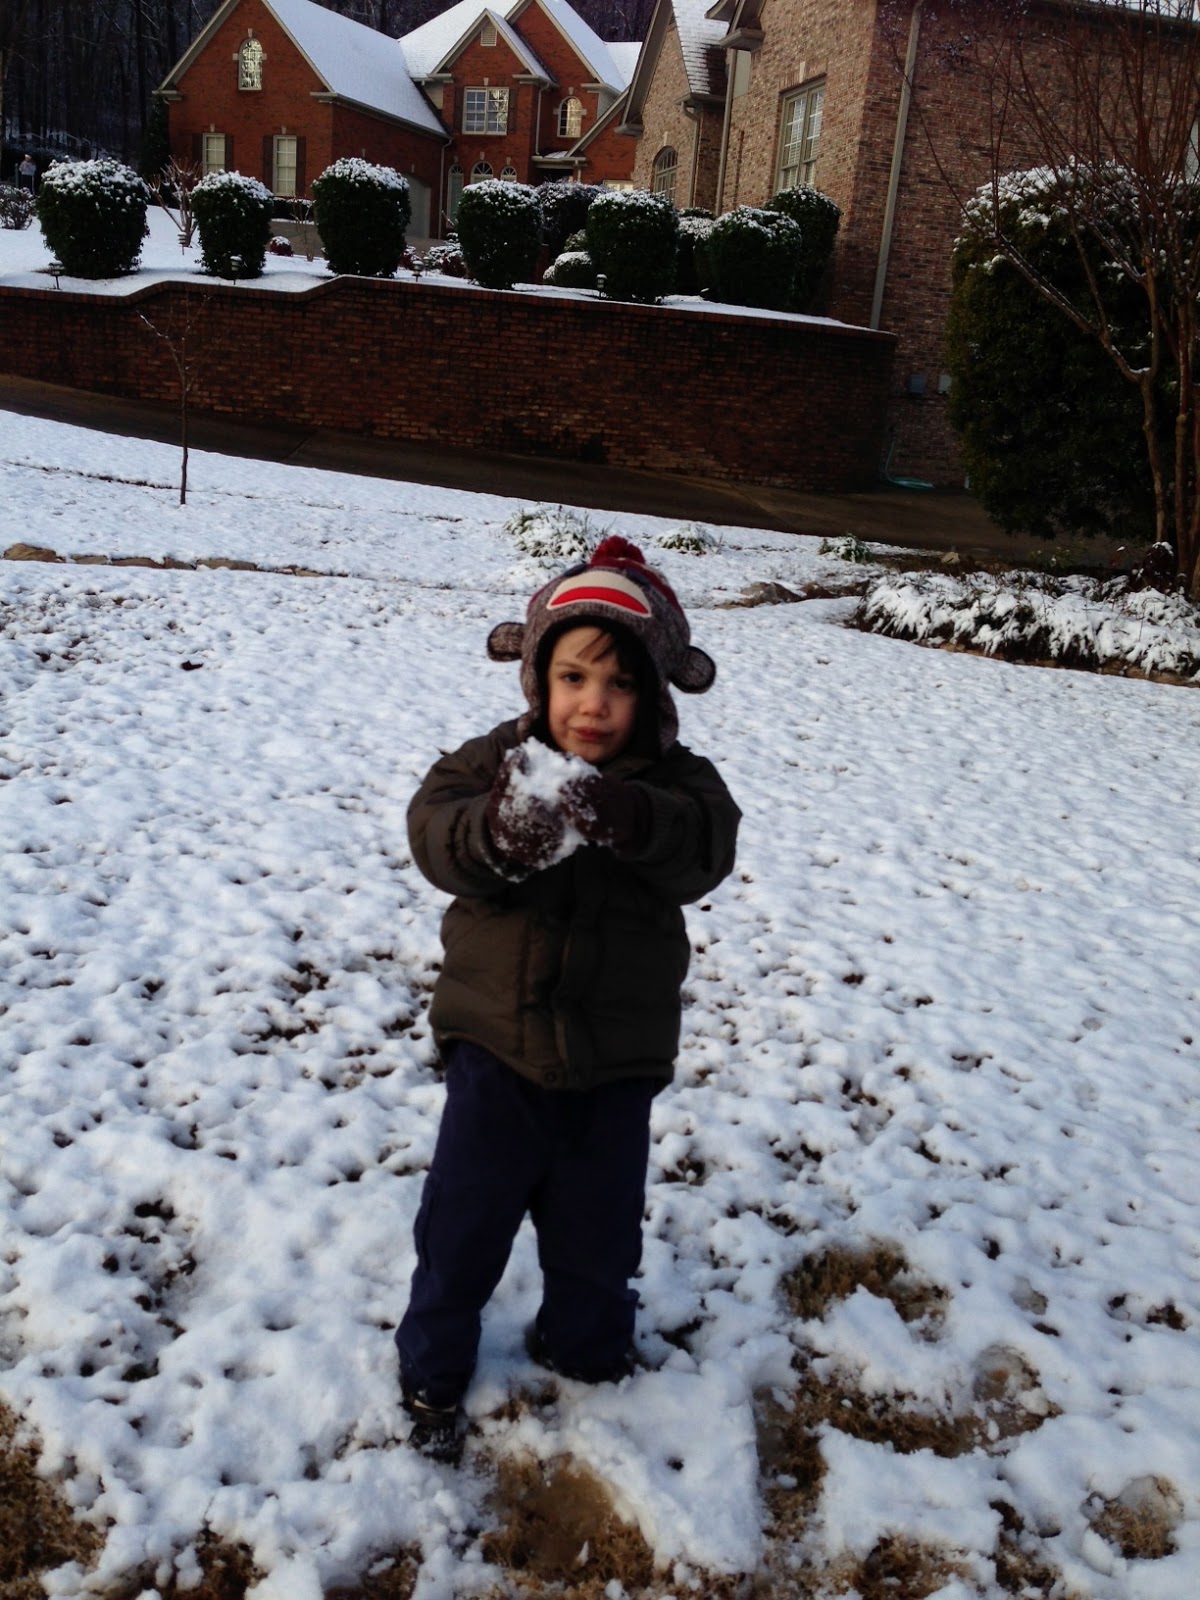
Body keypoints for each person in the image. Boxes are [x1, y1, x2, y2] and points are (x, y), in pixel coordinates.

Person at [396, 535, 740, 1462]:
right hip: (496, 1051)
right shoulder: (494, 763)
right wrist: (499, 833)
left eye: (621, 683)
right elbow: (434, 832)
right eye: (574, 677)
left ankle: (586, 1351)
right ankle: (433, 1368)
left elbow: (705, 848)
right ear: (538, 677)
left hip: (614, 1066)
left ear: (656, 693)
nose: (594, 704)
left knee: (598, 1238)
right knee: (462, 1228)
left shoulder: (678, 785)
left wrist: (632, 819)